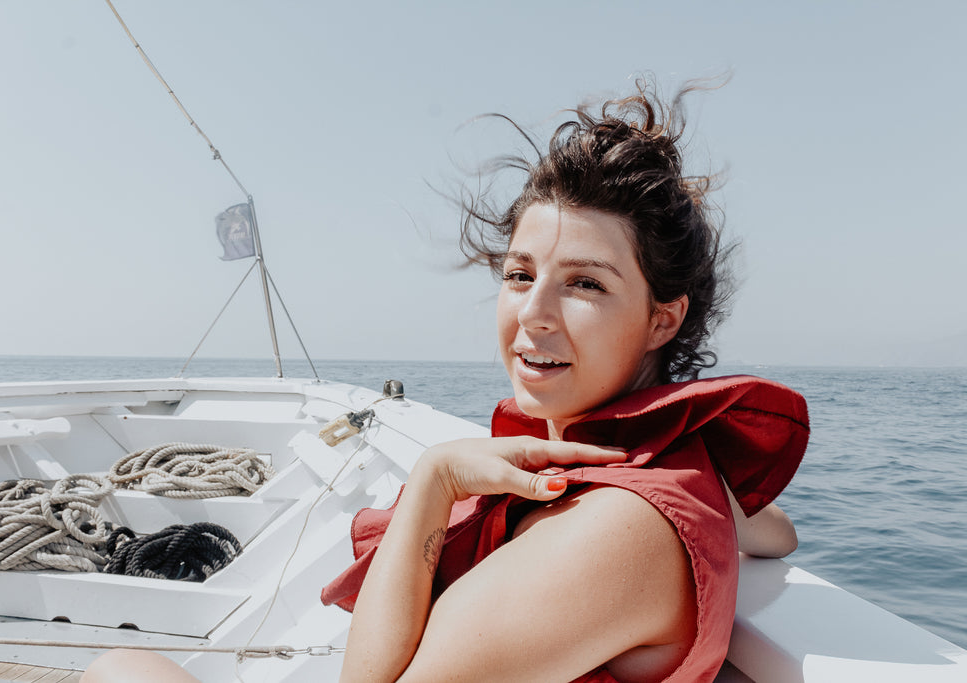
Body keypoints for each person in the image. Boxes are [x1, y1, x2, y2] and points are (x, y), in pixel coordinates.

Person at [84, 79, 808, 683]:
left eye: (585, 283)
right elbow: (774, 532)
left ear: (662, 319)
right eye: (520, 274)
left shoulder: (618, 531)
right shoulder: (664, 460)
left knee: (119, 669)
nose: (535, 315)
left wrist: (436, 479)